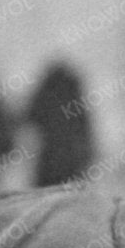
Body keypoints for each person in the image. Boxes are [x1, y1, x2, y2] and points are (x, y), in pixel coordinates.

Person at [23, 56, 98, 187]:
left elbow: (29, 118)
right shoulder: (74, 96)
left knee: (46, 198)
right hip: (70, 161)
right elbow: (85, 131)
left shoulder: (46, 92)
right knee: (68, 200)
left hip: (49, 160)